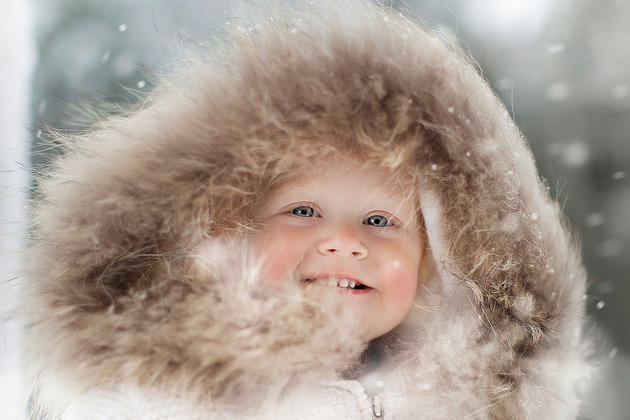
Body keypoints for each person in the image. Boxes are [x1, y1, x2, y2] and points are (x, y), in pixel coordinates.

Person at [21, 0, 591, 418]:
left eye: (379, 221)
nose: (343, 241)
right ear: (223, 231)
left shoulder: (463, 404)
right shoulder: (161, 397)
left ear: (435, 261)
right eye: (301, 211)